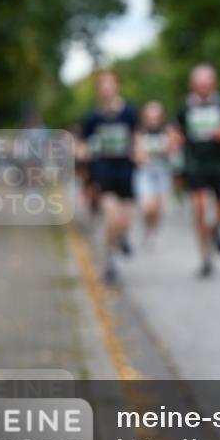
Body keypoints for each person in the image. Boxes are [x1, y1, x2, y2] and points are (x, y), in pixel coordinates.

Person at [177, 64, 220, 278]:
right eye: (199, 83)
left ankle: (216, 231)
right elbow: (175, 130)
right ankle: (205, 257)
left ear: (213, 83)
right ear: (193, 85)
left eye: (207, 83)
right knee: (199, 210)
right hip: (196, 165)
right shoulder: (185, 107)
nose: (203, 87)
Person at [79, 70, 138, 284]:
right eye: (102, 86)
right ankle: (110, 261)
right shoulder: (92, 117)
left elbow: (136, 136)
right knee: (111, 216)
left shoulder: (129, 113)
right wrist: (82, 153)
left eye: (110, 85)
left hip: (126, 171)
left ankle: (121, 237)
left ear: (116, 87)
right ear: (99, 91)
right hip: (103, 171)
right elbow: (83, 143)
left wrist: (139, 152)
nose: (106, 90)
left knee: (124, 220)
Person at [134, 101, 180, 246]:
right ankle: (148, 228)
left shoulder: (167, 131)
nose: (153, 120)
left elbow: (175, 149)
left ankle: (154, 231)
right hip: (145, 173)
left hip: (162, 172)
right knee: (147, 206)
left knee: (158, 207)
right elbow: (137, 153)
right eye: (150, 117)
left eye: (156, 117)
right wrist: (141, 157)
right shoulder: (140, 132)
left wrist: (171, 146)